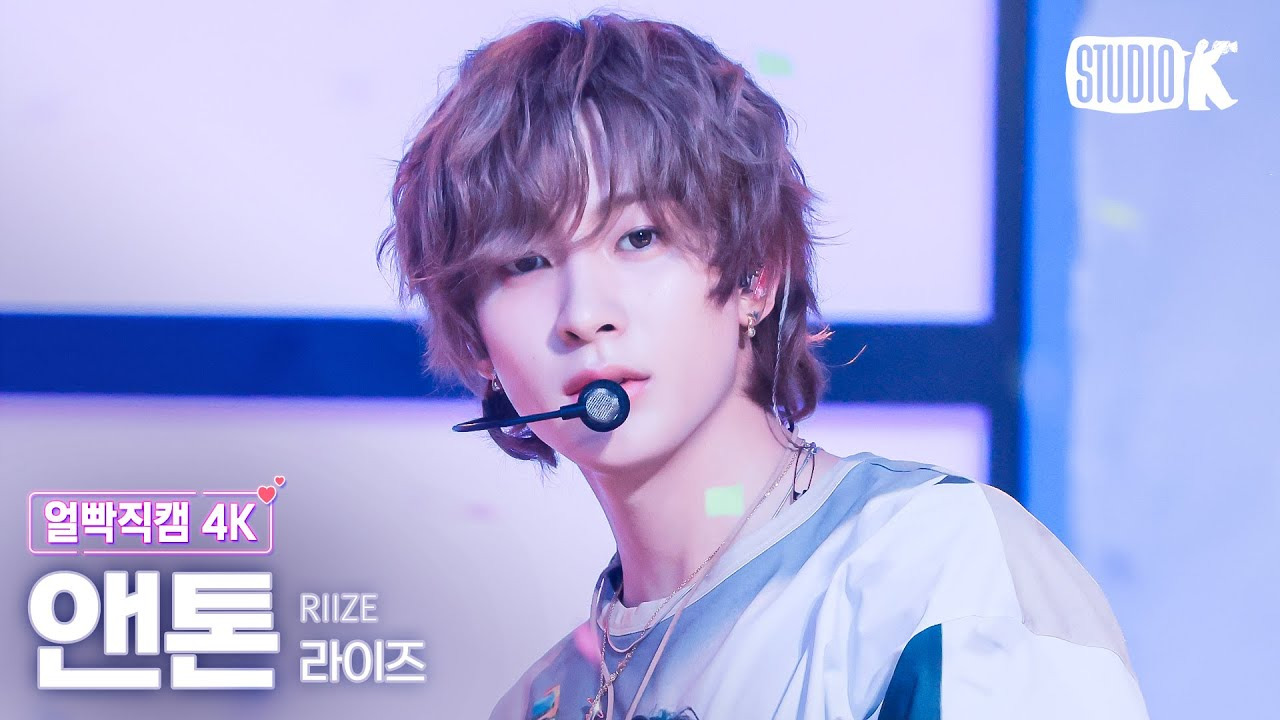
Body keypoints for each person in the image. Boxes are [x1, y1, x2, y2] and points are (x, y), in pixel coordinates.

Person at [379, 14, 1149, 720]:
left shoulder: (932, 573)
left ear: (757, 272)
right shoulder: (542, 699)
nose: (584, 313)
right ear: (475, 341)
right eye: (525, 262)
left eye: (639, 239)